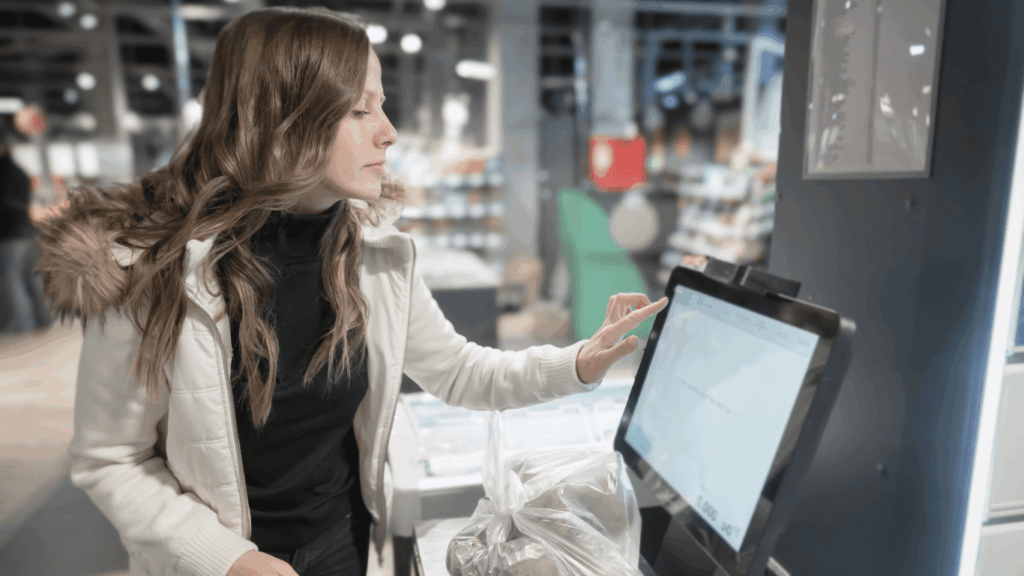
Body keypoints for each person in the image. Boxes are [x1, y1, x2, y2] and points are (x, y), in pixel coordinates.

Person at [34, 7, 668, 576]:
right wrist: (227, 560)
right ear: (283, 120)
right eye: (360, 110)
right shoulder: (153, 270)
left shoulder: (374, 255)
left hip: (344, 545)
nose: (388, 131)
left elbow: (458, 371)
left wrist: (578, 362)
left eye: (382, 106)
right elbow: (109, 457)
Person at [0, 137, 51, 333]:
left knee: (11, 280)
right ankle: (43, 319)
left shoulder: (3, 172)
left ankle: (23, 323)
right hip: (27, 231)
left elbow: (5, 203)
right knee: (33, 278)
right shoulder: (19, 171)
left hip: (10, 235)